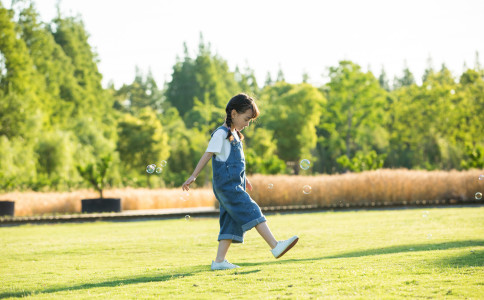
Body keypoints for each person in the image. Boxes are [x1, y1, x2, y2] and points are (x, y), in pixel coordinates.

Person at [182, 93, 299, 271]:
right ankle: (275, 246)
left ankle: (219, 261)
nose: (247, 124)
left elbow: (234, 163)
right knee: (253, 209)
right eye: (246, 119)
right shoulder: (221, 134)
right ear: (234, 113)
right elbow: (208, 154)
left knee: (229, 221)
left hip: (234, 184)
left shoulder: (235, 135)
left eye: (250, 120)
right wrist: (193, 176)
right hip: (227, 187)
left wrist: (246, 179)